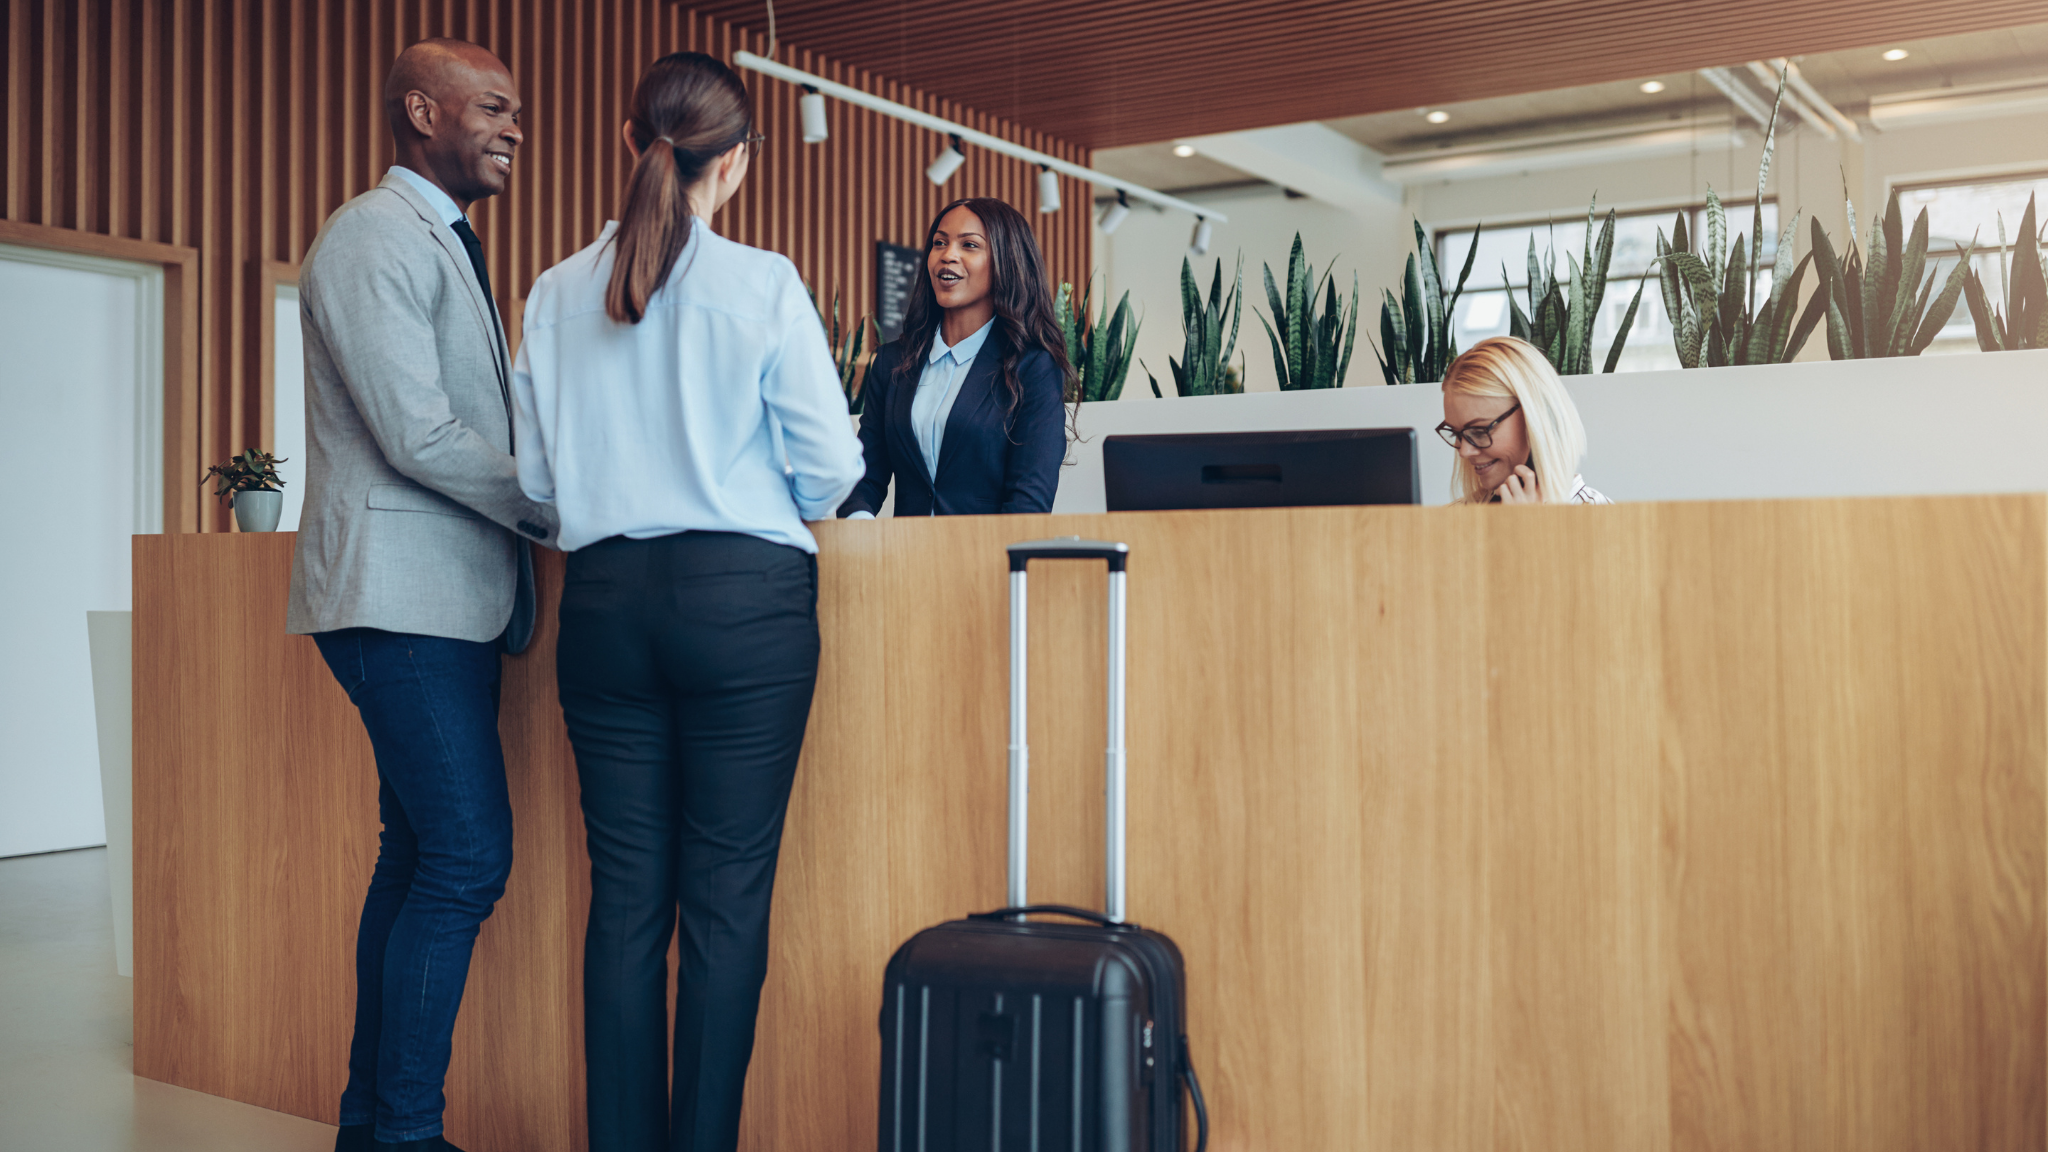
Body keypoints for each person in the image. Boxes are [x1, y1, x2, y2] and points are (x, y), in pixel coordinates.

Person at [508, 52, 862, 1152]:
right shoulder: (760, 283)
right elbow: (831, 474)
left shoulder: (554, 292)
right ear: (739, 161)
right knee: (723, 900)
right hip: (743, 607)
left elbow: (534, 486)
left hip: (604, 606)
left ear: (631, 142)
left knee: (624, 900)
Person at [287, 38, 556, 1152]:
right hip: (397, 603)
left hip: (440, 604)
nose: (514, 128)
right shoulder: (372, 235)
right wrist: (554, 505)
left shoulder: (439, 237)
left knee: (414, 858)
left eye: (515, 110)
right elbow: (417, 433)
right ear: (420, 111)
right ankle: (404, 1132)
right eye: (491, 107)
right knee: (466, 858)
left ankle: (373, 1127)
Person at [837, 196, 1071, 518]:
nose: (948, 255)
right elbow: (865, 476)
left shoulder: (1033, 367)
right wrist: (860, 526)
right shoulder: (891, 362)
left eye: (969, 245)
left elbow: (1029, 499)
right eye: (939, 243)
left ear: (1006, 261)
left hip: (987, 549)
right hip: (902, 548)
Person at [1435, 336, 1612, 505]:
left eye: (1479, 431)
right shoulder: (1451, 518)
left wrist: (1527, 522)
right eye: (1455, 434)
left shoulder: (1602, 516)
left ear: (1533, 419)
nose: (1464, 452)